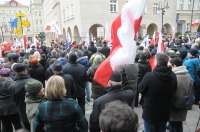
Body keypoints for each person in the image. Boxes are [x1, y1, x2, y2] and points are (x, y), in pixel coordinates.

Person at [138, 52, 177, 132]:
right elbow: (174, 90)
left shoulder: (149, 76)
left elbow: (140, 89)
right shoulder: (173, 75)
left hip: (151, 112)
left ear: (157, 62)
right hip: (164, 112)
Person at [169, 57, 193, 132]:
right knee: (179, 124)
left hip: (174, 104)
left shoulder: (174, 77)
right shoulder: (188, 76)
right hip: (184, 103)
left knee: (172, 125)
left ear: (175, 65)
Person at [9, 63, 34, 131]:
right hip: (34, 111)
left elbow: (13, 100)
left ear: (15, 72)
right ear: (25, 70)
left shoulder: (12, 86)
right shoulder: (34, 82)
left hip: (22, 112)